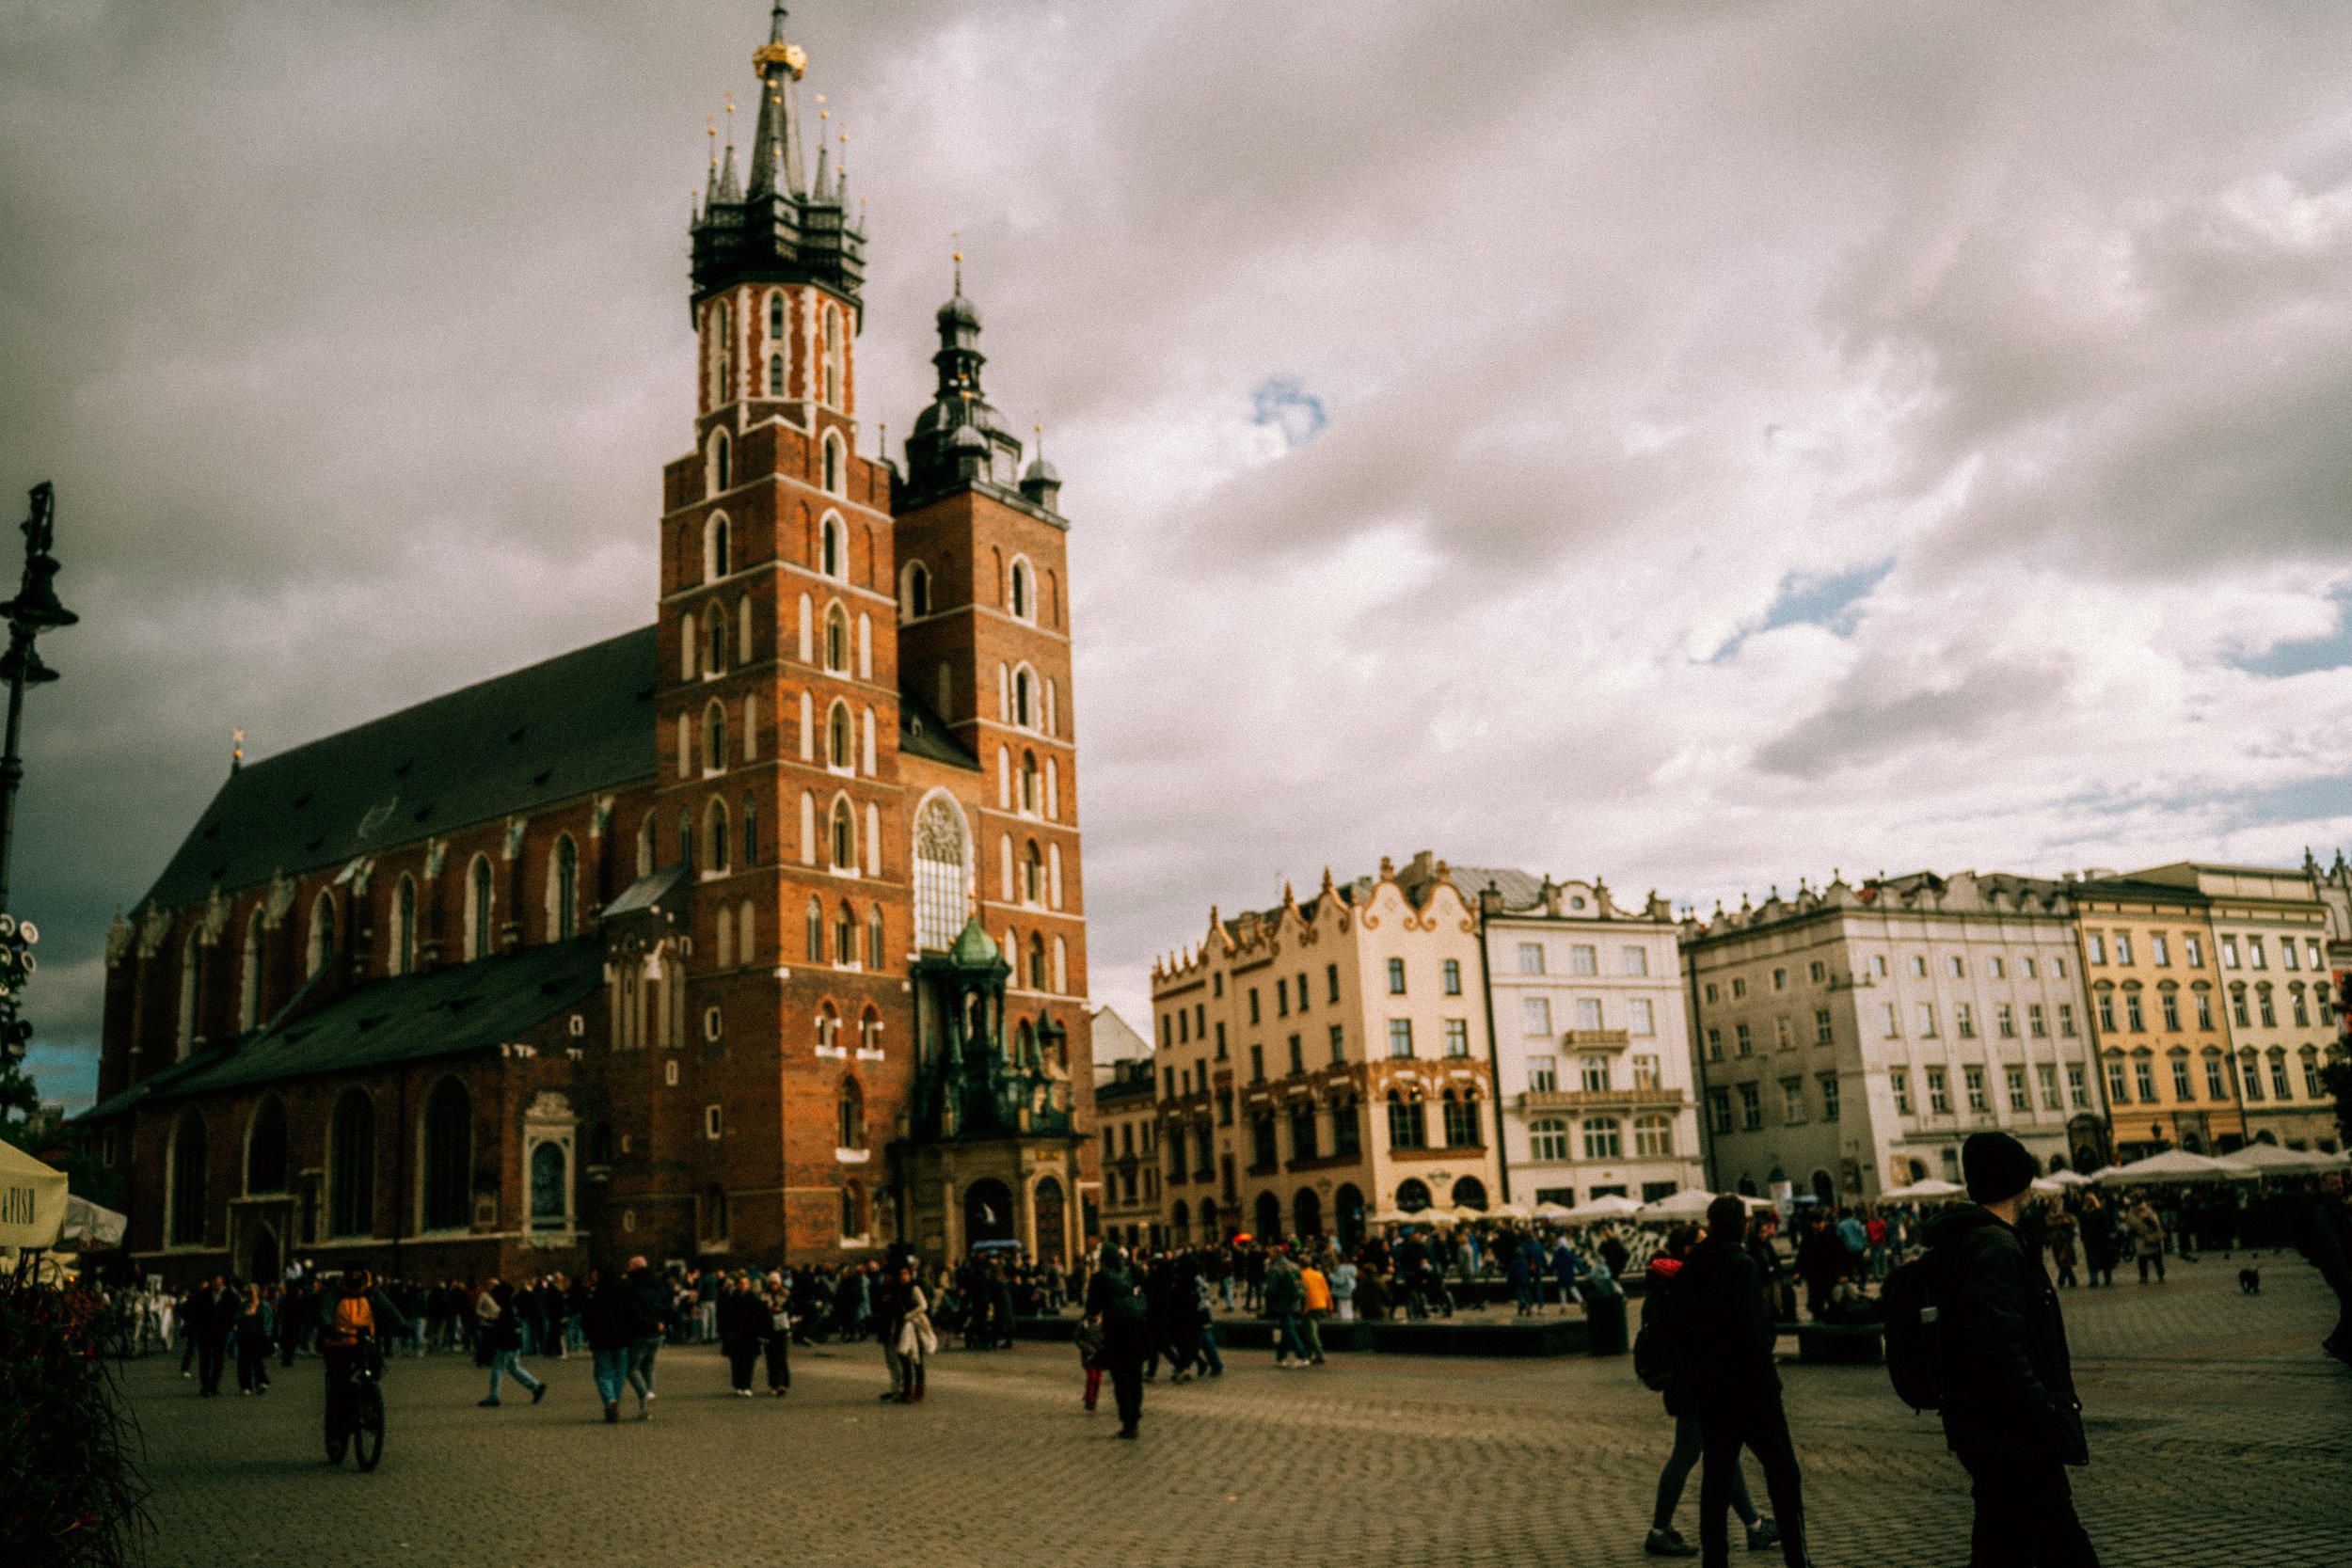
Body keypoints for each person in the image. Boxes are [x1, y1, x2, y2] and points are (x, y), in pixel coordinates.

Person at [1921, 1132, 2098, 1568]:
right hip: (2014, 1433)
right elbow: (1997, 1346)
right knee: (2045, 1547)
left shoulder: (1966, 1241)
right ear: (2018, 1184)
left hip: (1993, 1430)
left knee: (2019, 1545)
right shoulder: (1996, 1248)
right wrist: (2046, 1411)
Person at [1667, 1196, 1812, 1568]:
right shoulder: (1741, 1265)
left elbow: (1680, 1329)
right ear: (1744, 1227)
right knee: (1783, 1471)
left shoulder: (1690, 1267)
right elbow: (1756, 1333)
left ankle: (1715, 1561)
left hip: (1712, 1391)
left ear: (1711, 1224)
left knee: (1716, 1477)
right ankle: (1798, 1557)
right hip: (1752, 1390)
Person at [1642, 1225, 1776, 1559]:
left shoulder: (1668, 1282)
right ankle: (1660, 1531)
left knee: (1717, 1450)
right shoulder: (1680, 1284)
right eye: (1702, 1242)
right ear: (1688, 1249)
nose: (1709, 1246)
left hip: (1689, 1382)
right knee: (1692, 1453)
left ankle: (1755, 1525)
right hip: (1694, 1383)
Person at [1085, 1241, 1151, 1437]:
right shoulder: (1132, 1272)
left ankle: (1128, 1423)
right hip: (1138, 1329)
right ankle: (1136, 1416)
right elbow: (1146, 1293)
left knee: (1121, 1379)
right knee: (1135, 1377)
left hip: (1117, 1332)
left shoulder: (1099, 1278)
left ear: (1103, 1260)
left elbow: (1092, 1309)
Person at [582, 1268, 644, 1423]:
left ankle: (610, 1400)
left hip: (600, 1342)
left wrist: (589, 1336)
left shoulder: (595, 1298)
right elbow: (635, 1315)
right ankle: (614, 1399)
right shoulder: (624, 1296)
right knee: (620, 1373)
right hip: (622, 1340)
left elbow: (586, 1320)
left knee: (603, 1373)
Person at [475, 1279, 546, 1407]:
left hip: (505, 1343)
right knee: (514, 1368)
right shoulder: (512, 1306)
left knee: (497, 1370)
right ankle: (536, 1386)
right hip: (514, 1341)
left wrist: (488, 1321)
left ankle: (493, 1397)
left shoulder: (506, 1307)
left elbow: (501, 1326)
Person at [624, 1256, 670, 1419]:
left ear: (634, 1267)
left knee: (632, 1368)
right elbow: (667, 1303)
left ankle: (645, 1396)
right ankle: (646, 1408)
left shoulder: (631, 1285)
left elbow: (632, 1310)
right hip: (659, 1330)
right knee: (649, 1367)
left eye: (629, 1266)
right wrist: (662, 1322)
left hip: (641, 1331)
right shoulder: (657, 1281)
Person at [719, 1274, 766, 1397]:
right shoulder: (732, 1298)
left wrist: (760, 1332)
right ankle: (738, 1385)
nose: (743, 1286)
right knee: (736, 1362)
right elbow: (725, 1314)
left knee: (749, 1362)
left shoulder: (753, 1299)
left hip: (750, 1335)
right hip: (736, 1335)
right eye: (741, 1283)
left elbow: (759, 1316)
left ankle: (747, 1385)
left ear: (749, 1285)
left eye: (745, 1283)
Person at [232, 1283, 274, 1396]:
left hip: (258, 1335)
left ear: (257, 1292)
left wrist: (267, 1334)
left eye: (253, 1291)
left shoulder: (264, 1305)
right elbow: (237, 1318)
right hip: (245, 1335)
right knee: (244, 1361)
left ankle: (261, 1382)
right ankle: (246, 1385)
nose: (251, 1294)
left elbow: (268, 1321)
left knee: (257, 1360)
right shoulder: (243, 1305)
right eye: (249, 1292)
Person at [761, 1273, 794, 1396]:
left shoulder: (785, 1295)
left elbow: (791, 1309)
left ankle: (782, 1384)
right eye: (772, 1284)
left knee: (781, 1358)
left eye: (776, 1283)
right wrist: (769, 1310)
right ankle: (773, 1384)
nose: (774, 1286)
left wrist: (782, 1310)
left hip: (782, 1330)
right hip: (769, 1331)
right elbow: (761, 1311)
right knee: (770, 1359)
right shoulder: (764, 1296)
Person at [2127, 1197, 2167, 1285]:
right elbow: (2129, 1227)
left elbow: (2156, 1224)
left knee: (2156, 1258)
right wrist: (2133, 1233)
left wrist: (2146, 1218)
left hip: (2152, 1237)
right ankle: (2143, 1276)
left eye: (2135, 1205)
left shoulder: (2148, 1211)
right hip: (2140, 1239)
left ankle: (2161, 1275)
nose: (2134, 1207)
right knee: (2142, 1259)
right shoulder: (2130, 1214)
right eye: (2132, 1206)